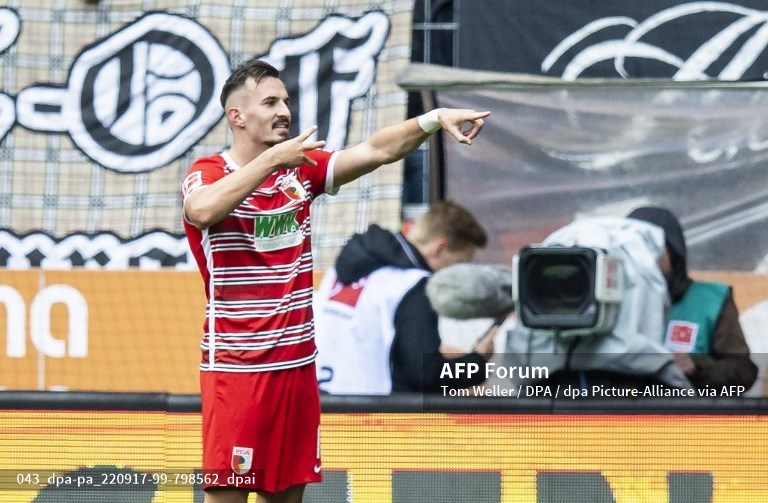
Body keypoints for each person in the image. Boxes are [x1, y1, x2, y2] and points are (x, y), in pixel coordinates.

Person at [180, 57, 490, 503]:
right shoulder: (208, 172)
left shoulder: (298, 172)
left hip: (297, 370)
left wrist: (432, 120)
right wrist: (271, 160)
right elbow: (202, 210)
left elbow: (376, 150)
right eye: (270, 102)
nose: (284, 111)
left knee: (287, 498)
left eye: (286, 101)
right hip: (239, 372)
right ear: (237, 116)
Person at [313, 200, 499, 395]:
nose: (458, 273)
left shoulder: (342, 268)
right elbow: (423, 374)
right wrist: (478, 361)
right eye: (459, 263)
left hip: (320, 398)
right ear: (439, 248)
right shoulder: (413, 284)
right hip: (367, 408)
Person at [627, 206, 758, 390]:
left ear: (674, 253)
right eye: (634, 251)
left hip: (688, 406)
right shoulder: (607, 305)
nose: (645, 260)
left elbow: (743, 372)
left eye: (653, 249)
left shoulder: (711, 301)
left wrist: (696, 366)